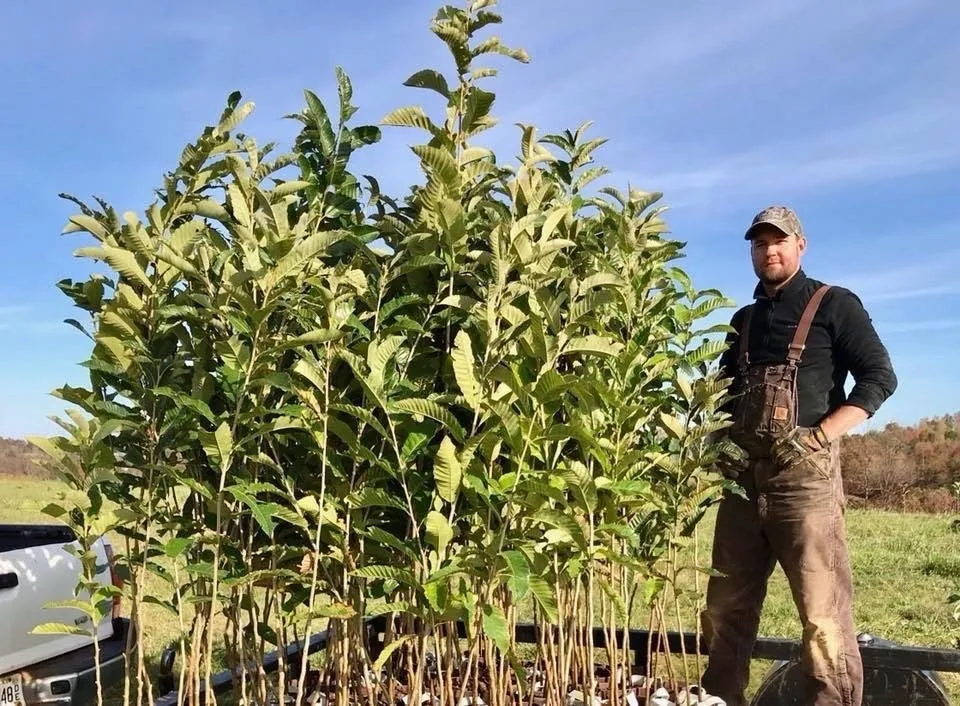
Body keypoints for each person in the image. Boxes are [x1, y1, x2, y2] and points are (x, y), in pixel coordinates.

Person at [700, 205, 898, 706]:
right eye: (759, 243)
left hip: (804, 484)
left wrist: (821, 435)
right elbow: (724, 395)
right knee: (724, 609)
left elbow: (879, 378)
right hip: (744, 483)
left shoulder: (834, 304)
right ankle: (722, 699)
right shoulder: (743, 320)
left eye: (779, 241)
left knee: (822, 614)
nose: (769, 250)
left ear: (800, 245)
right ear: (751, 251)